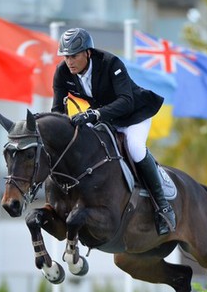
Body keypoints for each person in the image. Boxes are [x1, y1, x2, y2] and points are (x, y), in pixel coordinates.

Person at [51, 27, 176, 236]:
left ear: (88, 53)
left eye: (74, 56)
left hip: (134, 114)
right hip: (105, 119)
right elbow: (57, 110)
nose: (69, 61)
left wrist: (94, 115)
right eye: (66, 56)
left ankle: (163, 207)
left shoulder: (110, 63)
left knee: (135, 148)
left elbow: (126, 101)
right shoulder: (62, 72)